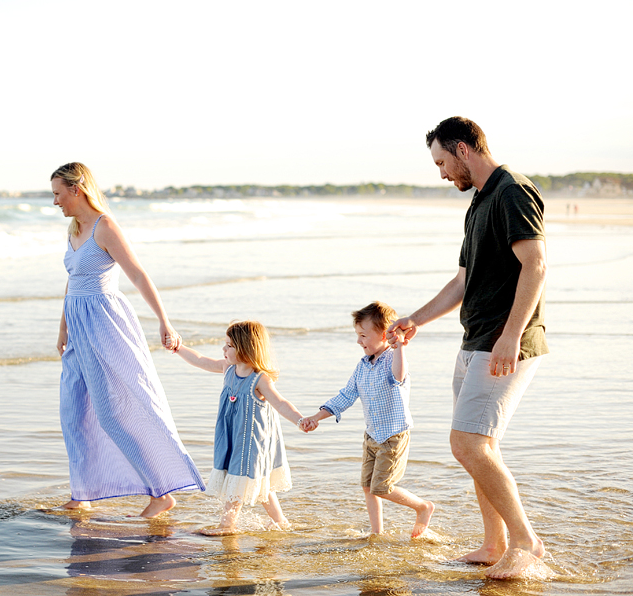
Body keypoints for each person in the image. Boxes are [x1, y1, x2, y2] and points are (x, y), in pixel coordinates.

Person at [388, 117, 548, 579]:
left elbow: (535, 266)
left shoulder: (512, 190)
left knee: (468, 444)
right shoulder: (479, 201)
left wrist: (510, 336)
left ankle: (525, 542)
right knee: (482, 446)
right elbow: (463, 280)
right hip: (476, 339)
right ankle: (494, 542)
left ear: (462, 149)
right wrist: (415, 318)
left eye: (441, 162)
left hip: (505, 342)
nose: (440, 173)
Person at [52, 162, 204, 518]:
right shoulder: (73, 229)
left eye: (58, 194)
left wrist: (164, 322)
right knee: (72, 412)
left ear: (77, 189)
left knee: (111, 413)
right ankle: (82, 494)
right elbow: (72, 279)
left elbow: (137, 273)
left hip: (105, 324)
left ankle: (161, 491)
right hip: (77, 328)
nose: (55, 202)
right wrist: (62, 327)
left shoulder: (105, 227)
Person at [300, 302, 435, 538]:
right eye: (357, 335)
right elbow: (346, 395)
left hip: (393, 436)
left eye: (363, 335)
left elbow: (398, 376)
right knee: (367, 486)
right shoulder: (362, 366)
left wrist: (400, 346)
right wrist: (317, 416)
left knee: (382, 487)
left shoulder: (393, 359)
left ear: (384, 334)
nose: (358, 341)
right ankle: (376, 532)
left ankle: (423, 507)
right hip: (372, 435)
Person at [168, 321, 306, 535]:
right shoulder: (228, 369)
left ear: (246, 349)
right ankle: (280, 521)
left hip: (251, 439)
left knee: (240, 476)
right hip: (232, 434)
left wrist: (299, 420)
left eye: (229, 346)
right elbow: (200, 360)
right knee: (258, 481)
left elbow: (280, 403)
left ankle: (227, 526)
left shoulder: (259, 379)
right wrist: (179, 348)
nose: (224, 349)